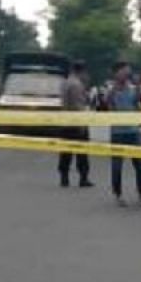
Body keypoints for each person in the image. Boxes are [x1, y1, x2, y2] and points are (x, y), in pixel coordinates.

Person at [105, 61, 141, 207]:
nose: (126, 74)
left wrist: (139, 91)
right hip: (118, 132)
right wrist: (111, 95)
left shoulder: (134, 89)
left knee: (140, 166)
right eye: (123, 71)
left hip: (133, 131)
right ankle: (118, 194)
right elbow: (107, 107)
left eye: (128, 71)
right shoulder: (111, 90)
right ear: (116, 73)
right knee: (117, 166)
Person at [58, 61, 94, 189]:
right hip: (76, 122)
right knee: (82, 151)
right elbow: (78, 106)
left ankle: (64, 177)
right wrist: (83, 124)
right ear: (82, 71)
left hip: (65, 121)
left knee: (65, 151)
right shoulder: (77, 85)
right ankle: (83, 178)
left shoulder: (65, 83)